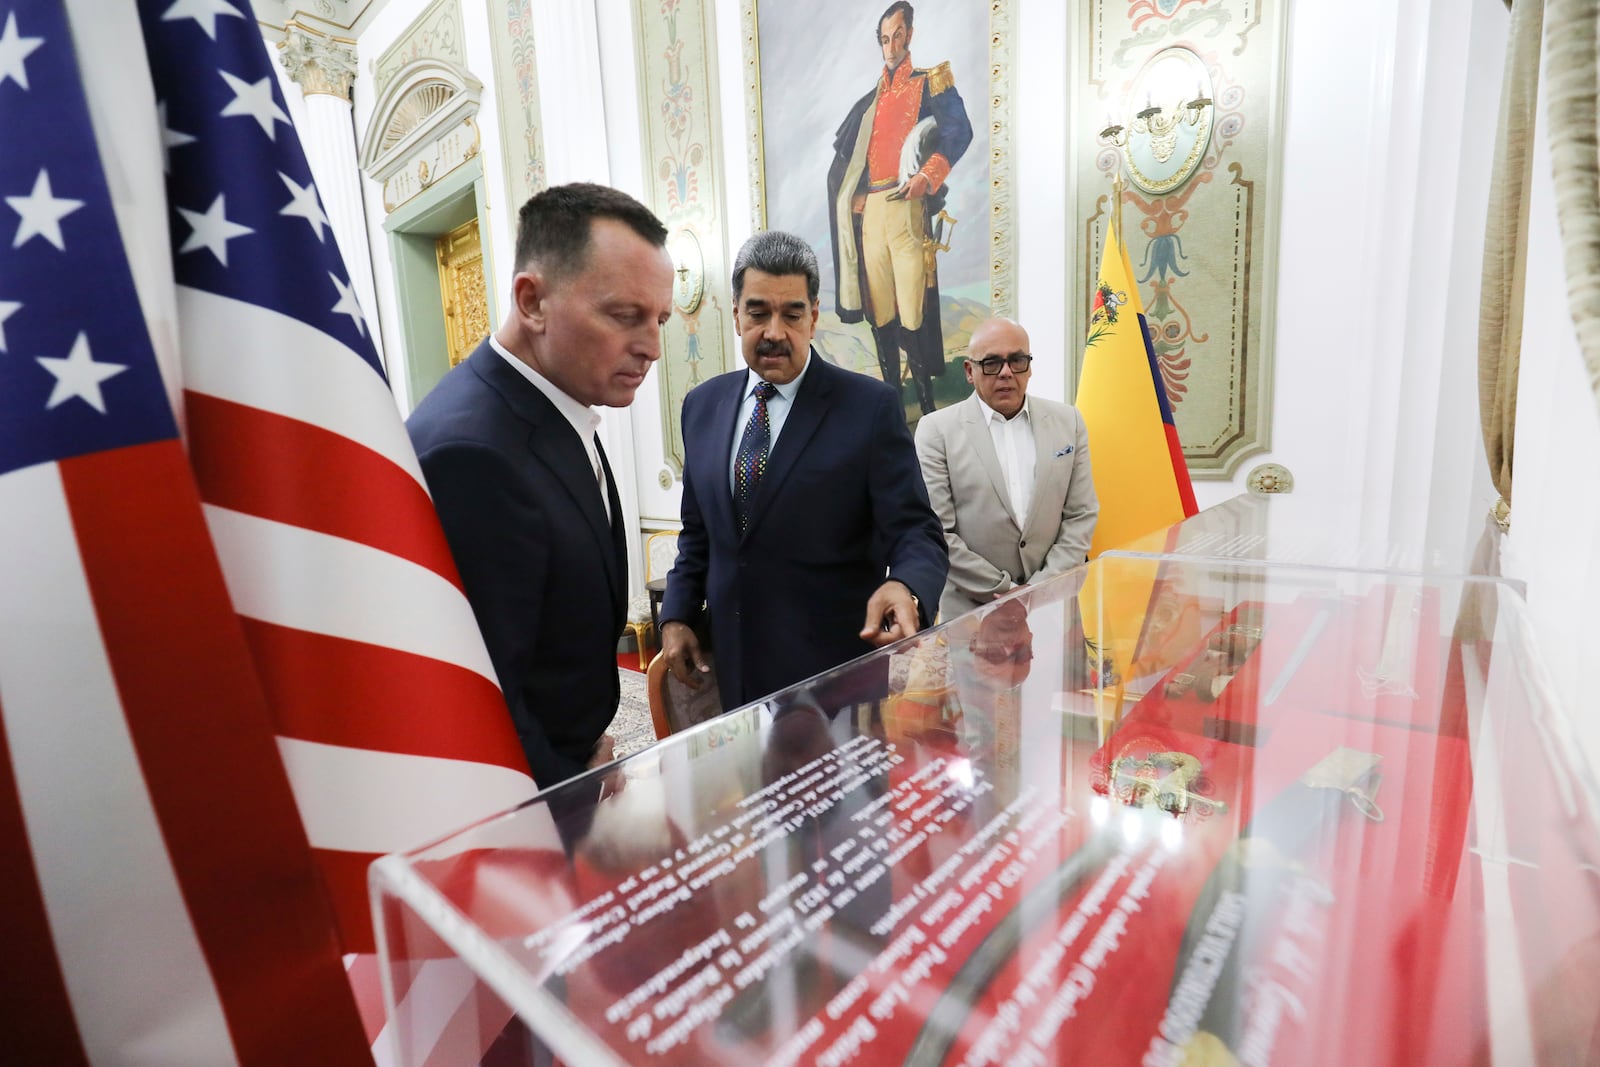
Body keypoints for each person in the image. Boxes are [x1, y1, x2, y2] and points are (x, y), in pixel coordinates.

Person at [407, 183, 673, 787]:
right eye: (625, 315)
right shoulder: (471, 454)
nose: (653, 347)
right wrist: (570, 786)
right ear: (531, 300)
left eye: (659, 318)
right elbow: (477, 698)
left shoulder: (556, 401)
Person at [658, 230, 948, 709]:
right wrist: (678, 615)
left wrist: (907, 587)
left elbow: (917, 531)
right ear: (735, 315)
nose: (774, 331)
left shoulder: (869, 408)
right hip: (732, 669)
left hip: (837, 681)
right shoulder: (701, 406)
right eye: (757, 312)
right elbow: (698, 534)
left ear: (813, 317)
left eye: (791, 313)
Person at [827, 1, 973, 415]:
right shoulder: (869, 101)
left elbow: (959, 132)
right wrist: (855, 193)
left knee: (913, 312)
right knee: (881, 314)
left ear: (909, 35)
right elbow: (852, 158)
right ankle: (891, 406)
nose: (891, 45)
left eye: (897, 35)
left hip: (908, 206)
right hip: (873, 211)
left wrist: (927, 177)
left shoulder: (930, 83)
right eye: (884, 39)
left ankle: (927, 409)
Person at [914, 317, 1098, 620]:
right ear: (969, 371)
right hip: (972, 616)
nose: (1006, 373)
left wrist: (1038, 590)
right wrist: (1005, 591)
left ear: (1029, 364)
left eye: (1017, 360)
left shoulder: (1069, 422)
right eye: (991, 363)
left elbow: (1081, 514)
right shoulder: (936, 431)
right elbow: (938, 531)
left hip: (1054, 607)